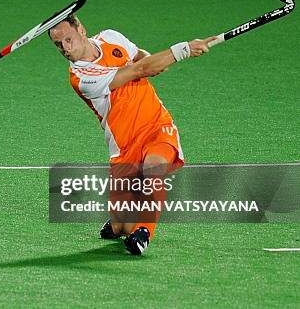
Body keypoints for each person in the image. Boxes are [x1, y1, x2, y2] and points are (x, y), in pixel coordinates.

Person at [49, 15, 216, 255]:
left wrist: (155, 62)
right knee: (121, 226)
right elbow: (138, 69)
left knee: (154, 167)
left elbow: (140, 58)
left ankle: (144, 233)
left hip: (156, 125)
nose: (65, 48)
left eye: (68, 39)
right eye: (58, 45)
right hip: (124, 146)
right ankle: (122, 226)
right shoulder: (81, 78)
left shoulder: (111, 37)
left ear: (81, 30)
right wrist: (183, 50)